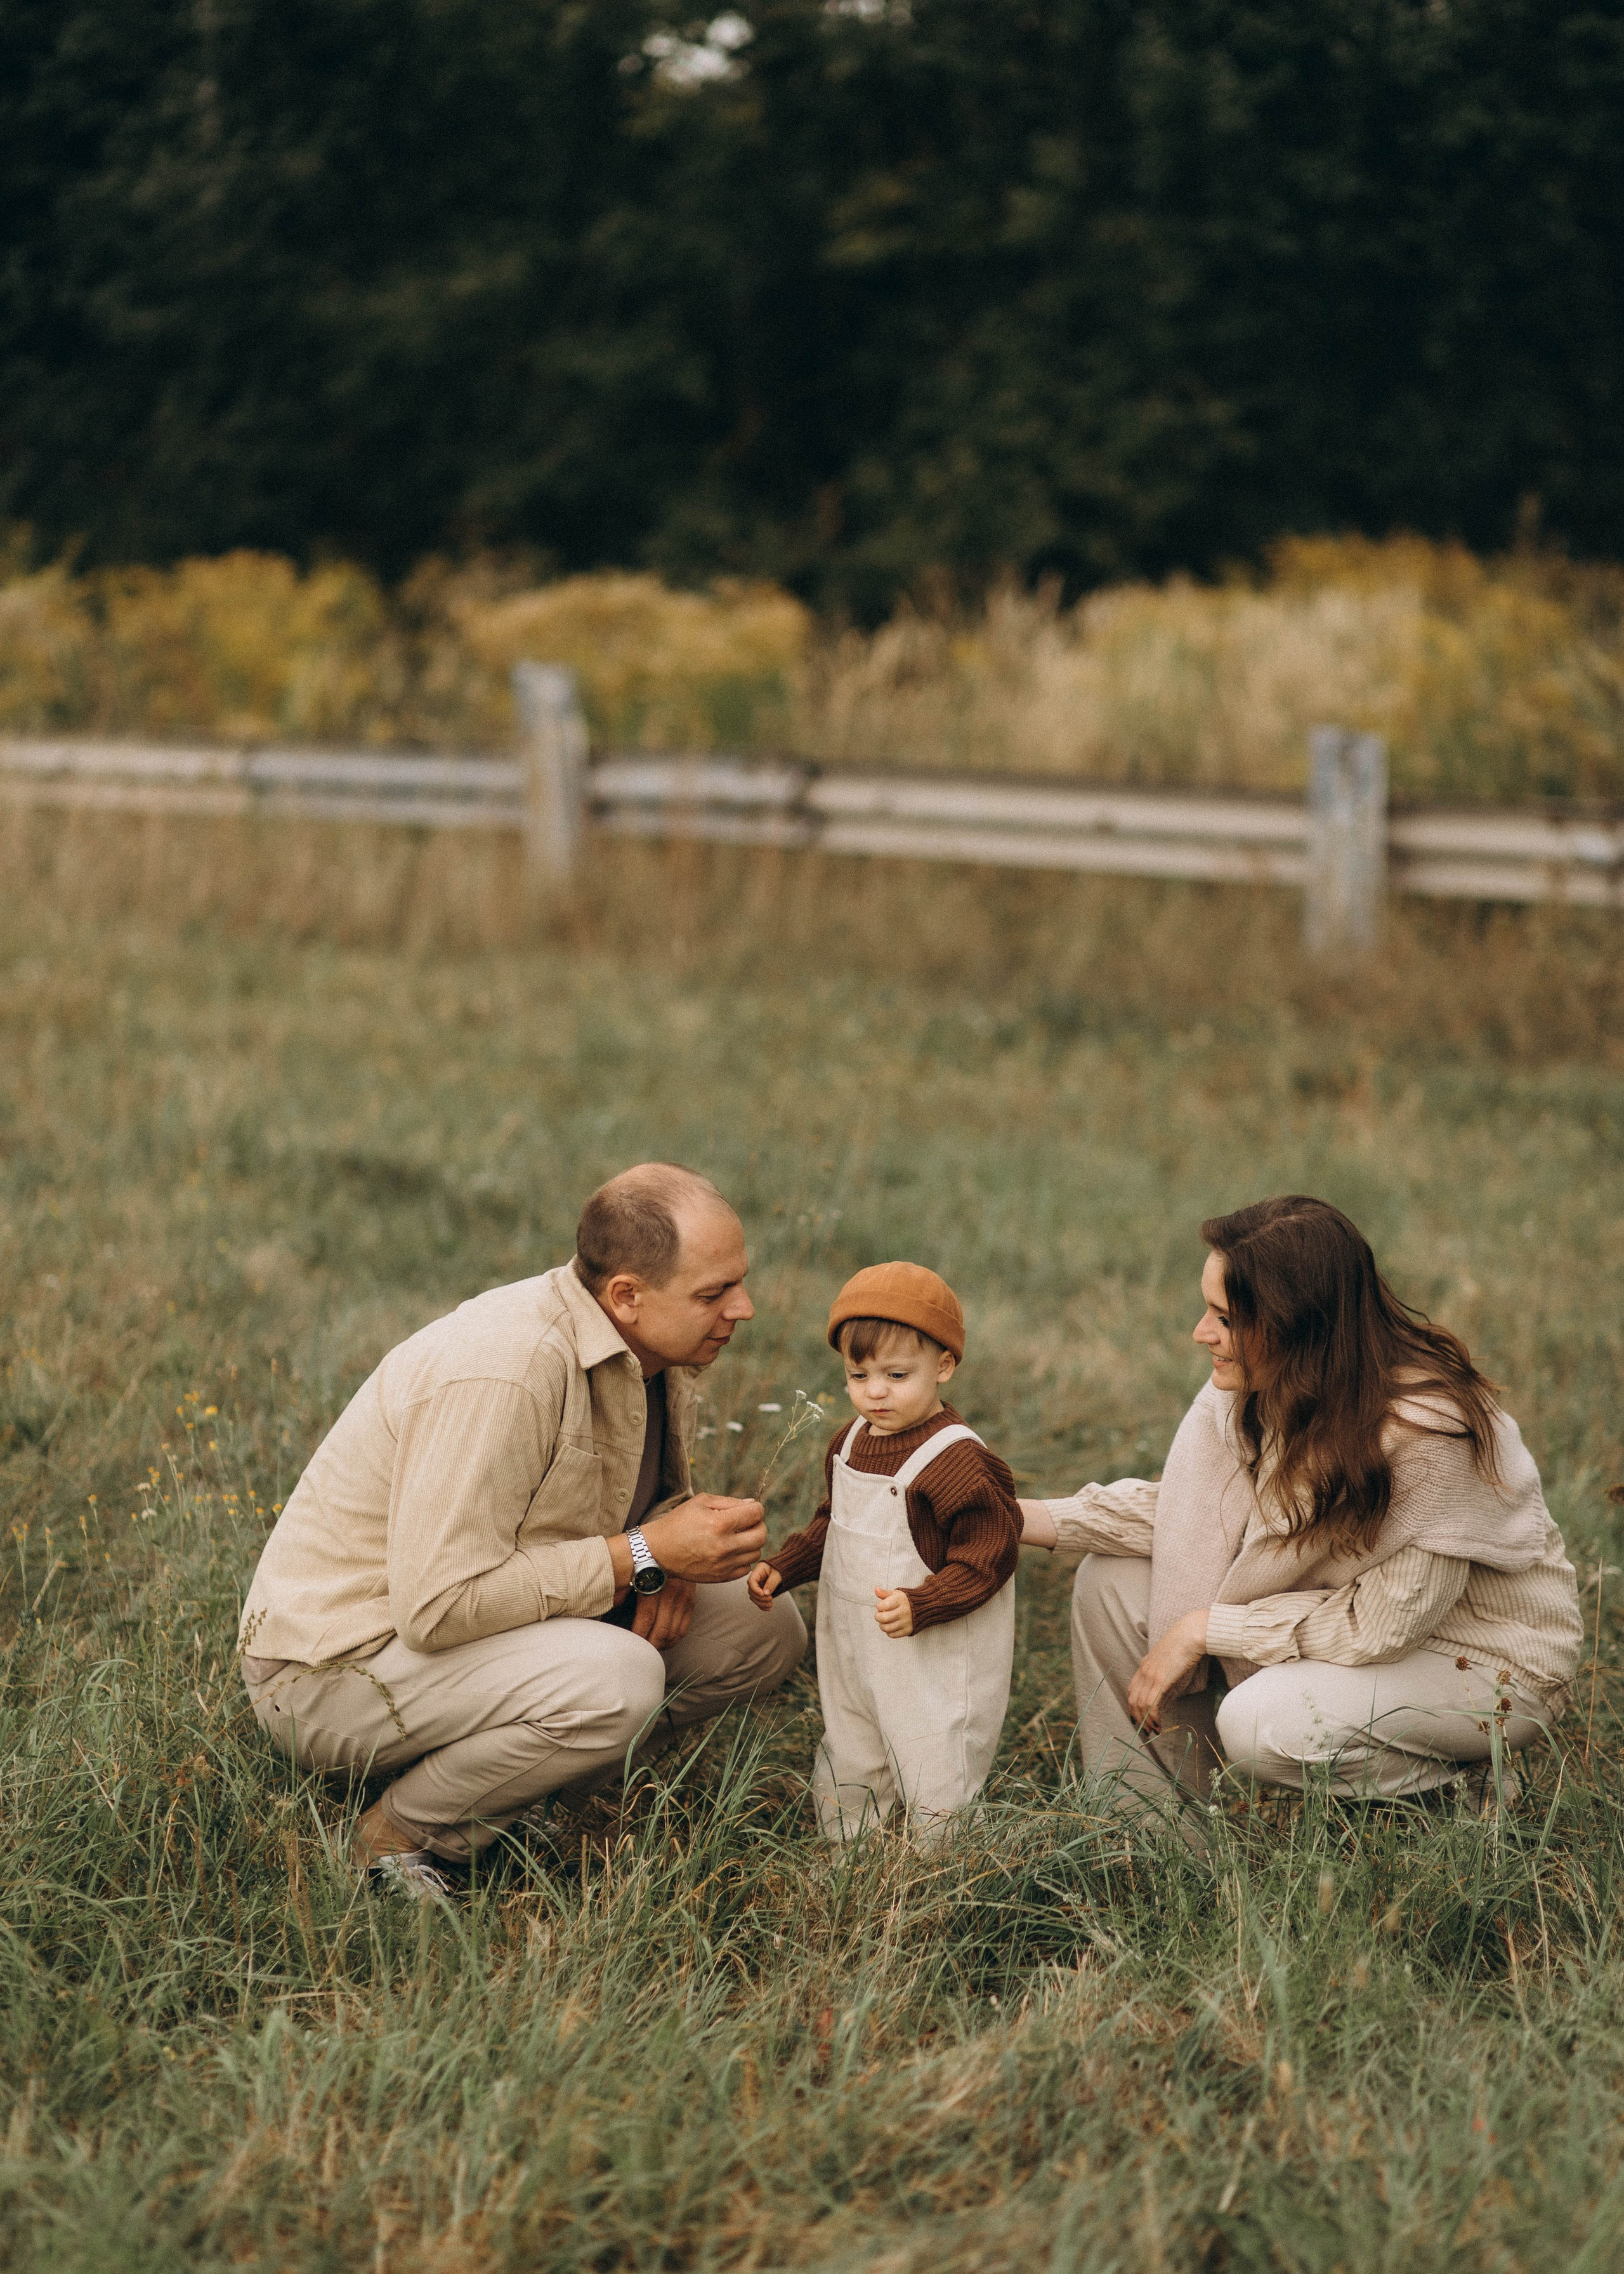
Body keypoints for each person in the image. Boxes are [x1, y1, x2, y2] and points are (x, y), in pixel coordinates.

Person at [239, 1162, 806, 1894]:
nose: (744, 1308)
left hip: (473, 1640)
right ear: (626, 1295)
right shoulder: (506, 1369)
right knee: (619, 1678)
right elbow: (436, 1605)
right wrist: (642, 1555)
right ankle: (395, 1837)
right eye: (714, 1292)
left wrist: (667, 1544)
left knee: (764, 1627)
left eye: (739, 1281)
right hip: (335, 1672)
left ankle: (518, 1795)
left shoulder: (653, 1348)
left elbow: (598, 1505)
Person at [1018, 1196, 1583, 1824]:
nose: (1201, 1333)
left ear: (1294, 1326)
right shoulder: (1266, 1386)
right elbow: (1198, 1515)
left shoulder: (1427, 1433)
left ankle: (1456, 1793)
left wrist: (1207, 1628)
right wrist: (1025, 1518)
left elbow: (1383, 1626)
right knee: (1110, 1583)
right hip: (1365, 1633)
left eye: (1223, 1317)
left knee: (1261, 1723)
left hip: (1480, 1664)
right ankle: (1157, 1840)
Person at [749, 1263, 1022, 1841]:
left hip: (933, 1648)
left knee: (934, 1754)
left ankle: (939, 1866)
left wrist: (926, 1603)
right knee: (852, 1742)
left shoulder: (955, 1460)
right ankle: (850, 1854)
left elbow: (990, 1554)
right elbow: (835, 1523)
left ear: (944, 1365)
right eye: (858, 1374)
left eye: (898, 1375)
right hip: (853, 1641)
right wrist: (786, 1565)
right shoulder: (848, 1443)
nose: (875, 1392)